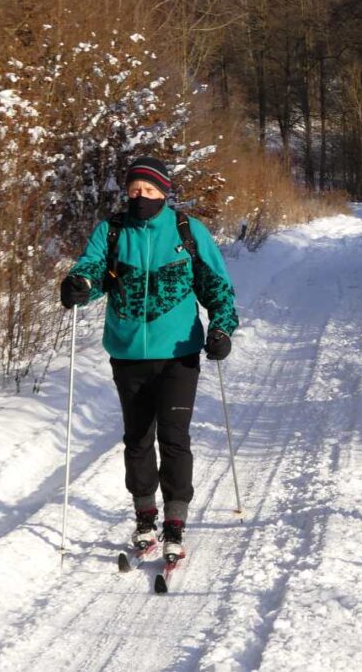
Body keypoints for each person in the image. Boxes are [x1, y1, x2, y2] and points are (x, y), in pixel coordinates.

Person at [59, 156, 238, 562]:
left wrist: (222, 329)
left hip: (179, 354)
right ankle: (144, 518)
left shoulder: (187, 231)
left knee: (174, 439)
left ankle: (175, 521)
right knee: (137, 440)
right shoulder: (112, 231)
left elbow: (217, 287)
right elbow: (91, 272)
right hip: (127, 353)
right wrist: (78, 285)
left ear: (164, 192)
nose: (141, 197)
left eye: (150, 190)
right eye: (134, 190)